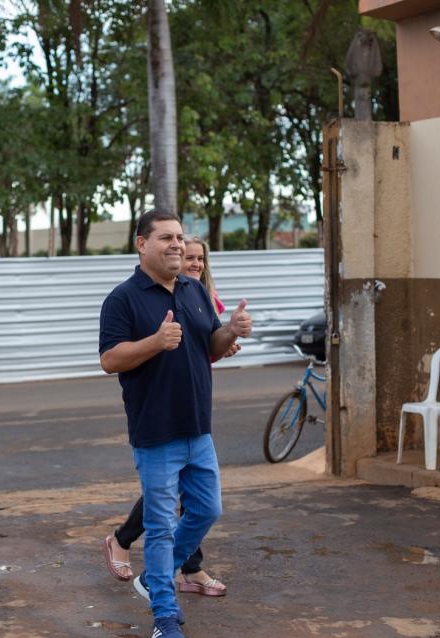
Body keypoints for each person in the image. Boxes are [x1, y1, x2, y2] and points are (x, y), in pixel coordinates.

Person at [99, 211, 252, 638]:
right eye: (166, 237)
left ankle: (155, 578)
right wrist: (154, 342)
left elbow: (211, 345)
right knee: (161, 526)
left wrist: (230, 330)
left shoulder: (193, 290)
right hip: (156, 432)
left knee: (207, 509)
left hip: (198, 428)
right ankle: (165, 617)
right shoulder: (123, 299)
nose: (177, 245)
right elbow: (110, 359)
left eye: (180, 238)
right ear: (141, 244)